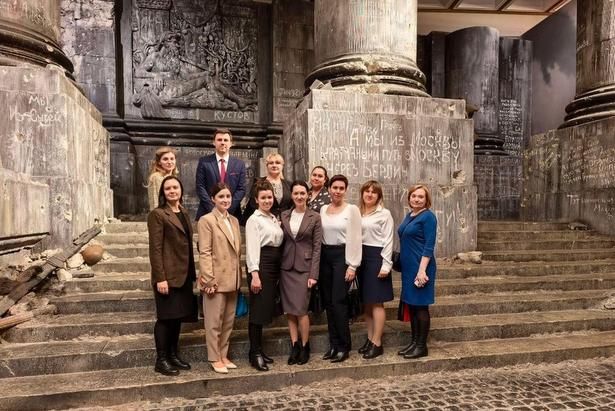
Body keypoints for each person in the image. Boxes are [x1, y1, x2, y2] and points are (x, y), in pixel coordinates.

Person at [147, 176, 198, 376]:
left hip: (184, 274)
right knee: (165, 318)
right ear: (163, 192)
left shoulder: (183, 212)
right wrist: (160, 278)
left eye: (175, 187)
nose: (172, 191)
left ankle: (173, 355)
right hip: (167, 276)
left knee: (177, 318)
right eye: (168, 188)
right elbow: (155, 249)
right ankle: (161, 360)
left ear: (181, 190)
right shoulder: (158, 214)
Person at [197, 182, 242, 374]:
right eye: (221, 196)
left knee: (228, 321)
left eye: (228, 196)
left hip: (232, 278)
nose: (225, 200)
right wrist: (208, 279)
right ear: (213, 199)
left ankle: (223, 355)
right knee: (214, 322)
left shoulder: (234, 221)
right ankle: (214, 357)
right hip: (215, 279)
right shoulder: (206, 220)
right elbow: (205, 252)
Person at [319, 174, 362, 363]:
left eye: (341, 188)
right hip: (325, 256)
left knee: (339, 302)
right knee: (328, 303)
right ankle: (334, 344)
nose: (337, 191)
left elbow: (356, 238)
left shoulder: (352, 210)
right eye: (334, 187)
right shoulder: (323, 209)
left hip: (342, 257)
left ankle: (344, 346)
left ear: (345, 190)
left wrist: (353, 265)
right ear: (329, 189)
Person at [280, 180, 322, 365]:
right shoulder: (284, 215)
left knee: (301, 310)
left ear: (307, 195)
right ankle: (294, 345)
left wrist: (313, 274)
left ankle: (305, 346)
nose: (299, 196)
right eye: (296, 193)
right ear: (292, 195)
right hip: (286, 268)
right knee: (290, 310)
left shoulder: (315, 217)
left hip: (305, 269)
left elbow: (317, 247)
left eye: (302, 193)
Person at [245, 180, 284, 371]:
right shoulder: (254, 220)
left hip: (275, 266)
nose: (267, 200)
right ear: (256, 200)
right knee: (258, 310)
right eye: (263, 198)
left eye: (269, 197)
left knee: (265, 309)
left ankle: (259, 349)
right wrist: (255, 274)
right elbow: (252, 248)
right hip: (262, 266)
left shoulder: (273, 218)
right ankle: (254, 353)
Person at [397, 184, 438, 359]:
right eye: (414, 196)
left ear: (426, 200)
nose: (417, 199)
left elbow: (429, 245)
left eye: (421, 197)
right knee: (412, 306)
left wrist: (422, 271)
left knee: (421, 306)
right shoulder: (410, 215)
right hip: (408, 268)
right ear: (409, 198)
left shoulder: (428, 217)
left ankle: (421, 346)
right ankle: (414, 343)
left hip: (421, 267)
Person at [356, 180, 394, 359]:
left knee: (377, 302)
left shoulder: (384, 214)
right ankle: (370, 339)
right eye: (367, 191)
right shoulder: (358, 212)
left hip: (377, 257)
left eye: (373, 192)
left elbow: (388, 240)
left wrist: (386, 265)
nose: (369, 194)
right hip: (361, 257)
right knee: (367, 303)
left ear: (379, 196)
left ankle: (377, 342)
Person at [195, 128, 246, 220]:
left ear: (231, 143)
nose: (222, 142)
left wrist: (228, 208)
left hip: (232, 213)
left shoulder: (239, 164)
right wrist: (213, 209)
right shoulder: (204, 162)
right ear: (214, 142)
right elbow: (200, 187)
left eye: (225, 140)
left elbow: (241, 189)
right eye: (219, 140)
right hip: (207, 213)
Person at [242, 153, 292, 222]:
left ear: (282, 166)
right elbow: (253, 205)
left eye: (277, 163)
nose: (274, 165)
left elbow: (291, 206)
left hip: (285, 222)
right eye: (271, 163)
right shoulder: (258, 182)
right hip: (264, 221)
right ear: (267, 166)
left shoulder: (289, 184)